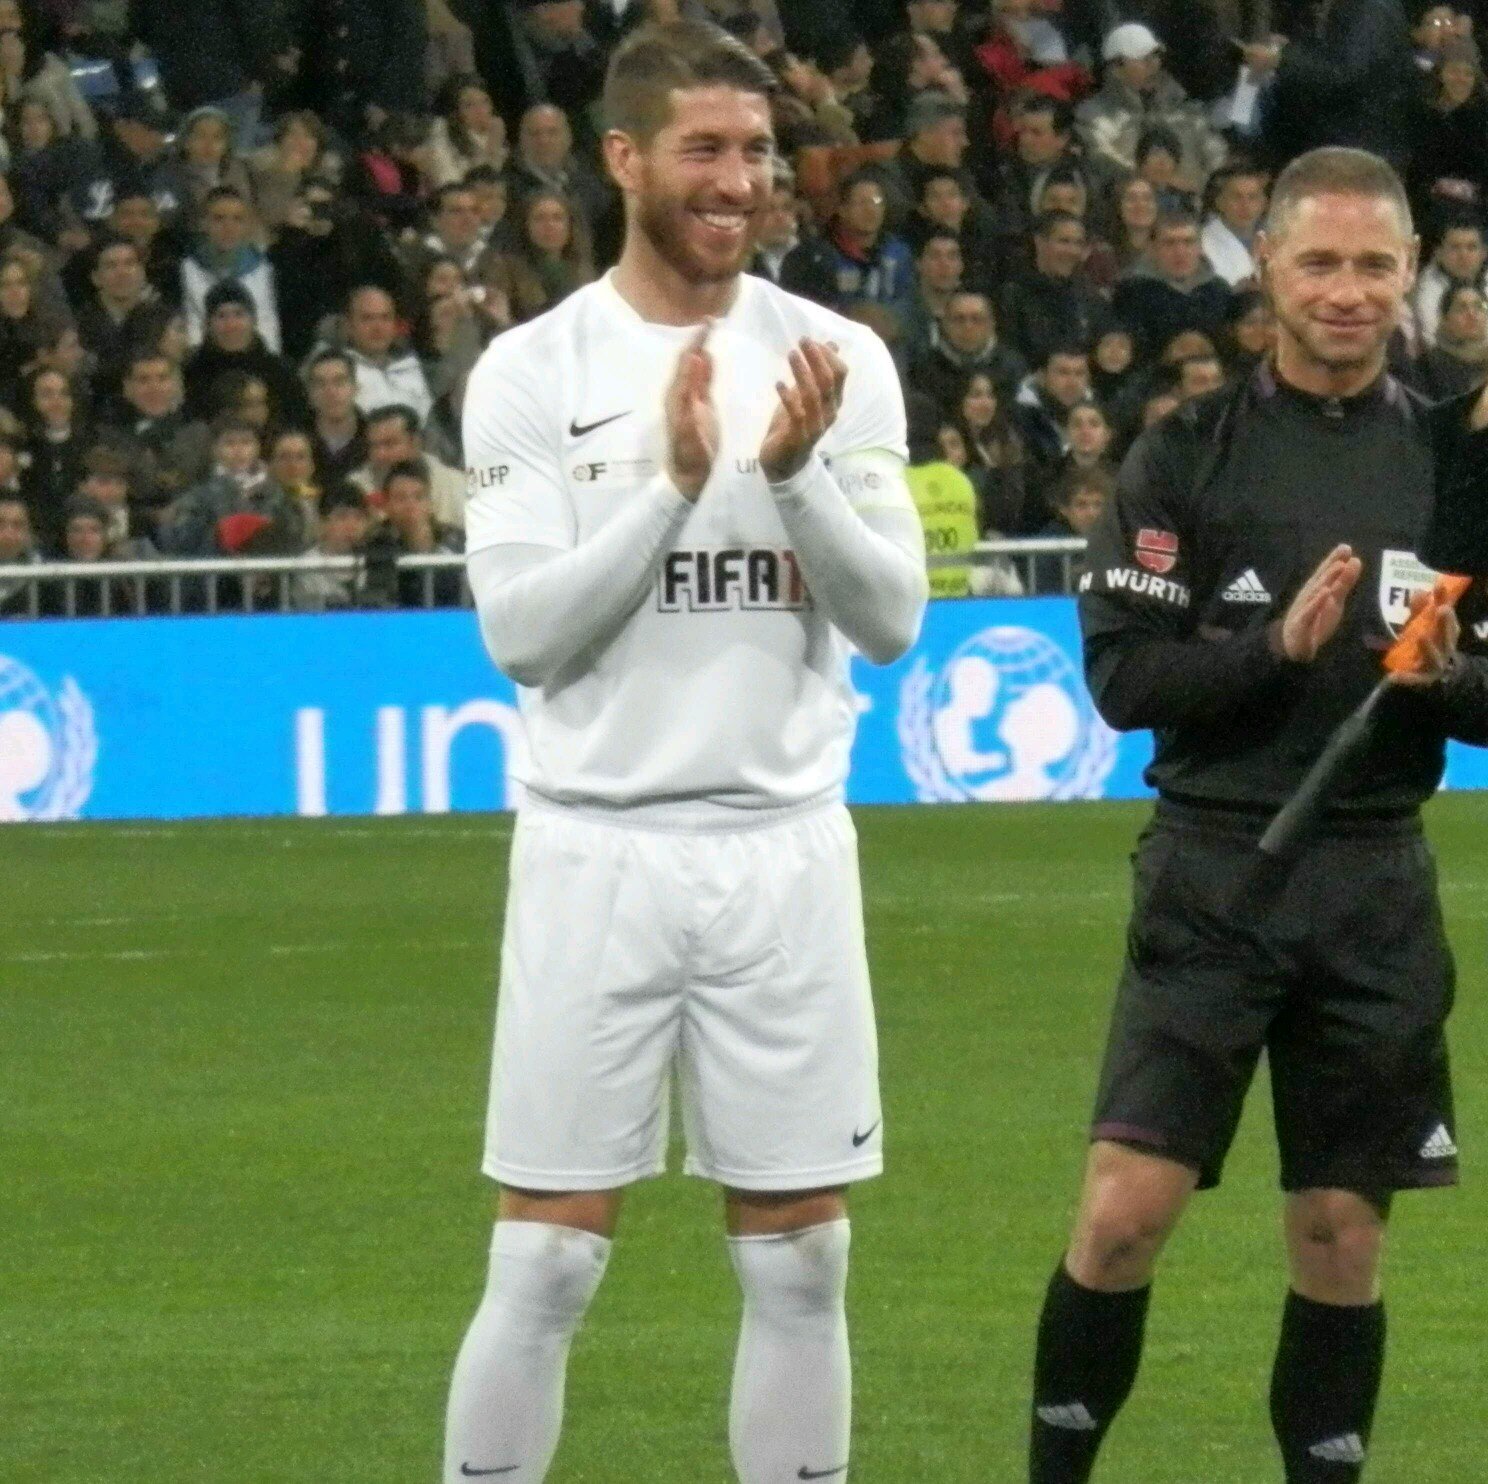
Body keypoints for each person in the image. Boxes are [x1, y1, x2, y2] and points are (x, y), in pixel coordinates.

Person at [446, 19, 928, 1484]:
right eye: (706, 150)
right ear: (622, 159)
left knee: (802, 1268)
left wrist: (789, 481)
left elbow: (894, 617)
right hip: (597, 846)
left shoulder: (836, 357)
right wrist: (665, 493)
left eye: (758, 153)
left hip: (781, 850)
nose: (739, 182)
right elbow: (522, 635)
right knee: (543, 1269)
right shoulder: (534, 369)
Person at [1030, 146, 1488, 1484]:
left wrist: (1447, 674)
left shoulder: (1457, 462)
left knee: (1343, 1236)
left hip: (1374, 887)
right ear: (1269, 271)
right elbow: (1122, 681)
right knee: (1123, 1216)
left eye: (1373, 266)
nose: (1346, 291)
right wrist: (1274, 654)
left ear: (1409, 275)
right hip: (1214, 874)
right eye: (1319, 263)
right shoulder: (1184, 450)